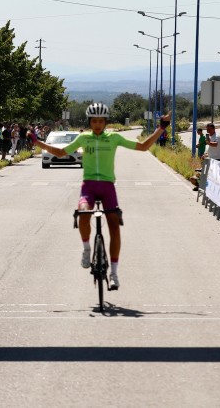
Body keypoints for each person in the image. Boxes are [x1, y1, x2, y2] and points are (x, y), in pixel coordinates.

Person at [34, 103, 170, 291]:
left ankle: (114, 273)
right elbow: (59, 152)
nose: (97, 124)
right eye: (94, 121)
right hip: (88, 186)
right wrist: (37, 142)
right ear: (90, 122)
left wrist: (161, 128)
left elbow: (144, 146)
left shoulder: (113, 138)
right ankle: (87, 249)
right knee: (82, 213)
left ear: (105, 122)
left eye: (101, 121)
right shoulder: (83, 138)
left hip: (107, 187)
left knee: (114, 226)